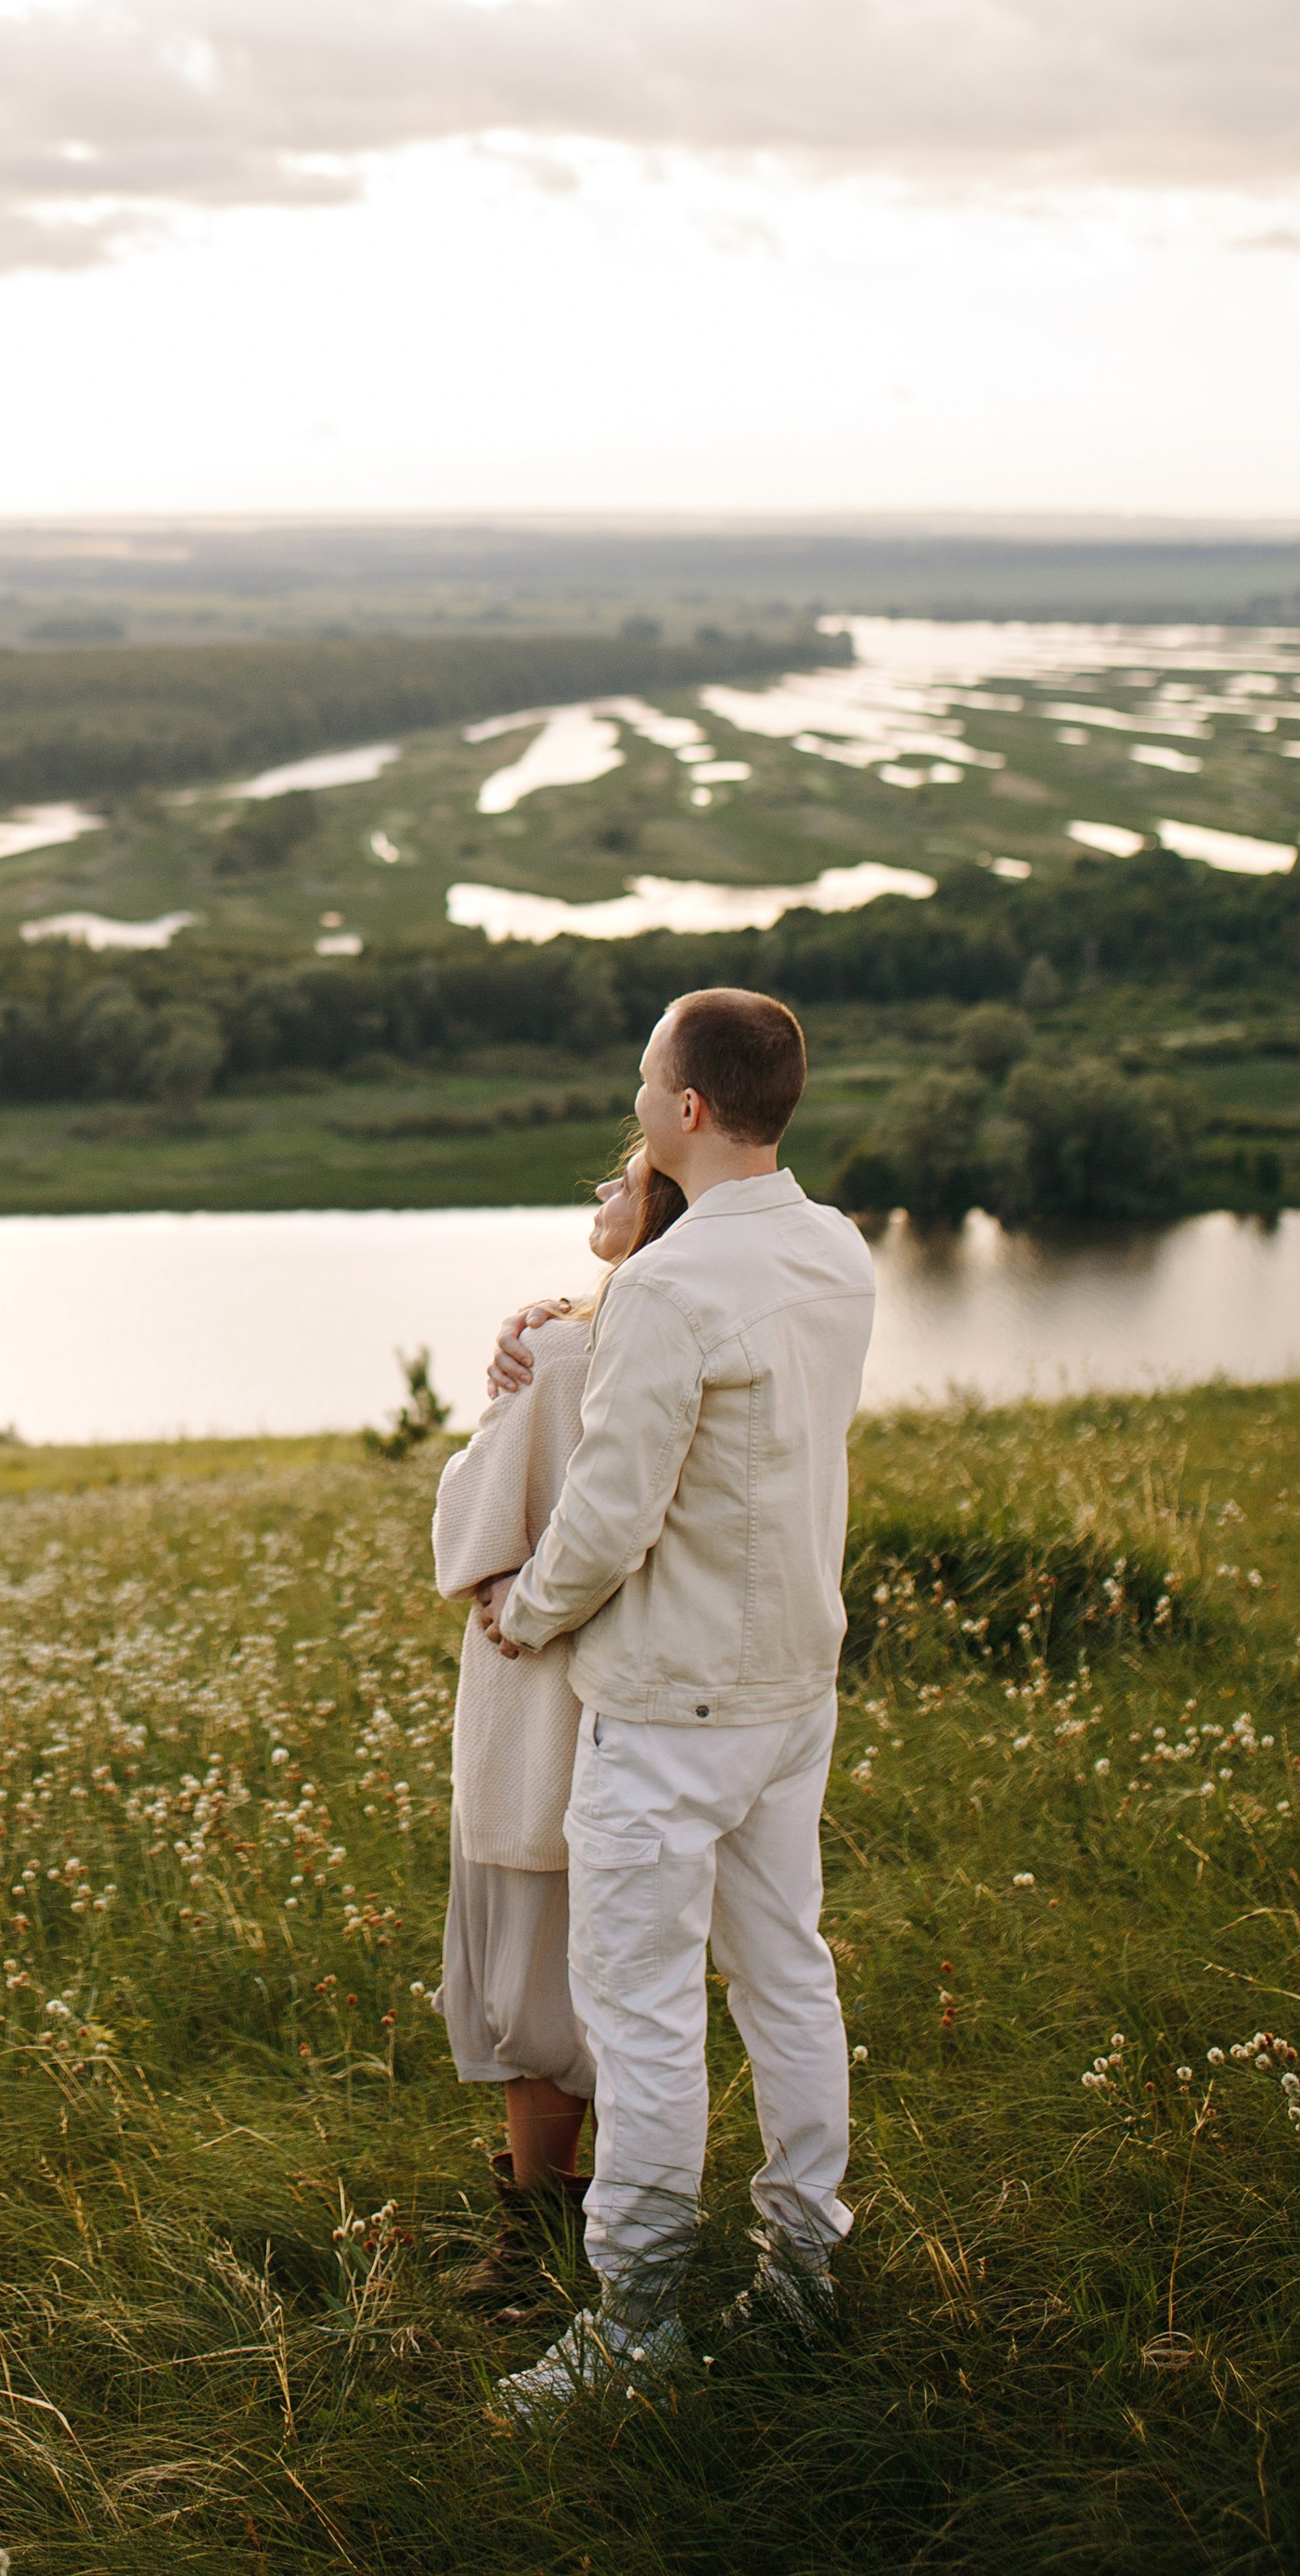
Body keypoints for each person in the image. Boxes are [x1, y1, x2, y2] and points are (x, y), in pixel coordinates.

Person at [480, 985, 876, 2420]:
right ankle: (799, 2272)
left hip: (669, 1706)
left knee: (641, 2013)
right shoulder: (838, 1253)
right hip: (793, 1685)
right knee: (788, 1976)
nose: (639, 1097)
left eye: (648, 1078)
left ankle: (638, 2325)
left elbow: (609, 1516)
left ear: (688, 1109)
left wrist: (526, 1612)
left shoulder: (669, 1285)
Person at [430, 1142, 687, 2298]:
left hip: (532, 1672)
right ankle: (609, 2222)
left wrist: (517, 1368)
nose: (600, 1192)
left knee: (535, 1981)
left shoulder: (565, 1346)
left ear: (656, 1215)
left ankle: (534, 2242)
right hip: (644, 1684)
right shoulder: (664, 1333)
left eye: (623, 1180)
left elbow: (470, 1527)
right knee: (621, 1975)